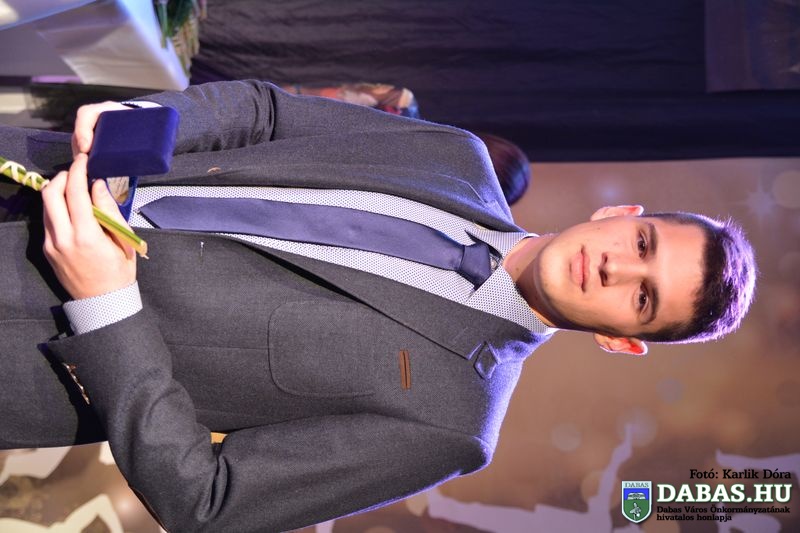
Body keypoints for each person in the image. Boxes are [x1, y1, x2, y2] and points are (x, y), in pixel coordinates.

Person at [0, 81, 755, 532]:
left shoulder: (454, 420)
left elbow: (209, 502)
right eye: (643, 243)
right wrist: (144, 120)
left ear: (623, 341)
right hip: (34, 173)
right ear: (621, 213)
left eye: (643, 298)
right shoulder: (454, 157)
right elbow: (265, 113)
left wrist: (107, 305)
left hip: (22, 343)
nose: (616, 267)